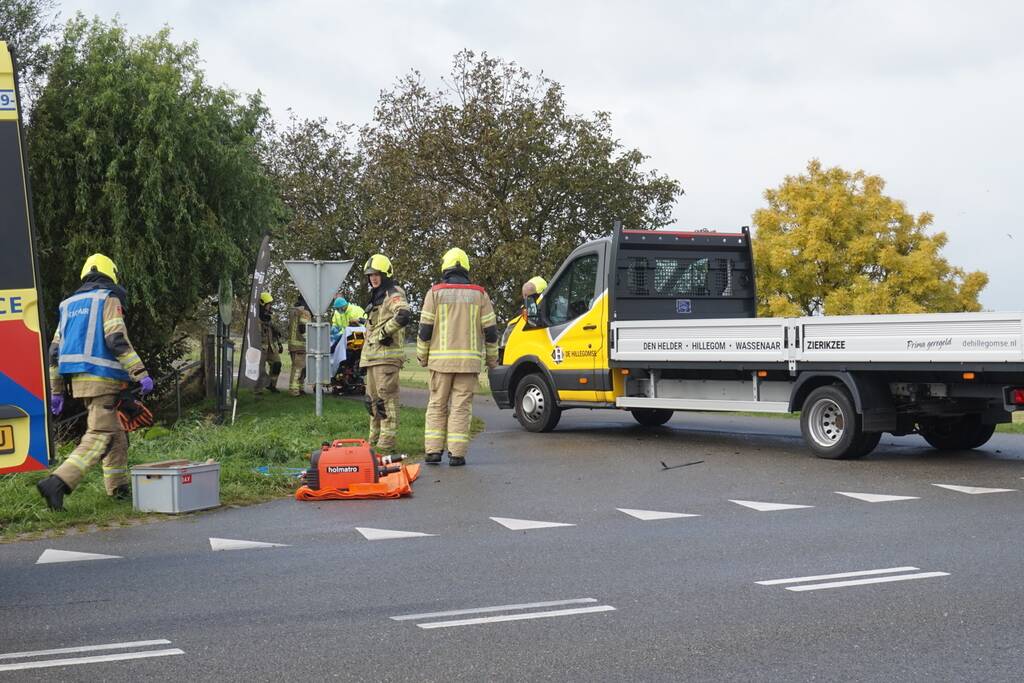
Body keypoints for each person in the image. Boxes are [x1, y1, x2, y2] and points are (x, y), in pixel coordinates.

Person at [36, 254, 153, 511]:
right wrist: (140, 373)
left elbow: (54, 351)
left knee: (116, 435)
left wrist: (57, 392)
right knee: (100, 435)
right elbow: (116, 340)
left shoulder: (68, 305)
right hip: (104, 380)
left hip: (80, 382)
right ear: (111, 274)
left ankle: (118, 488)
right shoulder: (107, 299)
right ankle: (58, 482)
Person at [417, 248, 499, 466]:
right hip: (468, 364)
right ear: (466, 268)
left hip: (440, 363)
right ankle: (457, 454)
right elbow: (491, 332)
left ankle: (433, 452)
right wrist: (492, 361)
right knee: (461, 408)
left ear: (445, 267)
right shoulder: (480, 294)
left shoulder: (434, 293)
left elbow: (425, 330)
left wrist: (422, 357)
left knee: (437, 405)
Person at [360, 254, 411, 454]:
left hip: (386, 357)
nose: (373, 278)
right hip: (372, 357)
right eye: (370, 275)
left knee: (386, 400)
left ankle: (386, 443)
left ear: (385, 274)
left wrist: (384, 332)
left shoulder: (393, 293)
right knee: (371, 401)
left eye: (377, 274)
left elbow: (404, 314)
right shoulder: (377, 296)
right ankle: (373, 440)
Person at [256, 292, 284, 394]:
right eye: (268, 304)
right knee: (259, 369)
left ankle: (271, 385)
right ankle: (257, 390)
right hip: (260, 347)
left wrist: (279, 344)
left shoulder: (269, 317)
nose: (270, 306)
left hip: (271, 347)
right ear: (262, 304)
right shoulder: (255, 318)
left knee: (277, 364)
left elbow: (275, 332)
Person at [287, 295, 312, 396]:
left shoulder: (293, 311)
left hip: (292, 344)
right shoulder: (304, 312)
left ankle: (299, 389)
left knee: (300, 368)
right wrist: (311, 340)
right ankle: (294, 390)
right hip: (301, 345)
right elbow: (303, 328)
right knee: (298, 368)